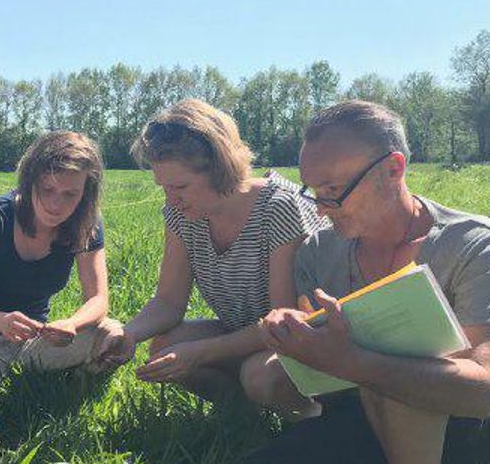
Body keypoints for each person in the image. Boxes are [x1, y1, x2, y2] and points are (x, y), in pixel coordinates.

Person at [214, 100, 490, 464]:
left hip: (468, 437)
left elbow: (484, 390)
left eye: (334, 190)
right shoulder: (319, 251)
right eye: (313, 193)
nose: (321, 210)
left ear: (393, 169)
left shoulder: (478, 244)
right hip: (359, 418)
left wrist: (355, 361)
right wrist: (295, 337)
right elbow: (317, 378)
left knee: (398, 361)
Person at [97, 100, 327, 416]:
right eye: (163, 188)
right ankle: (244, 420)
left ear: (220, 168)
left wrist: (200, 353)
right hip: (246, 332)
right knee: (164, 347)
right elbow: (168, 302)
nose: (170, 200)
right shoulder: (182, 215)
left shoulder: (278, 208)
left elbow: (284, 320)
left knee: (261, 376)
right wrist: (129, 333)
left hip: (301, 339)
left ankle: (313, 418)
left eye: (180, 186)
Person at [0, 130, 119, 424]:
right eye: (47, 189)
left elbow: (98, 300)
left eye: (70, 194)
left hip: (36, 339)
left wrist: (72, 325)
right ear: (30, 180)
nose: (56, 204)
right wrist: (2, 322)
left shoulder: (85, 223)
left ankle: (72, 382)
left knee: (114, 338)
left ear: (85, 193)